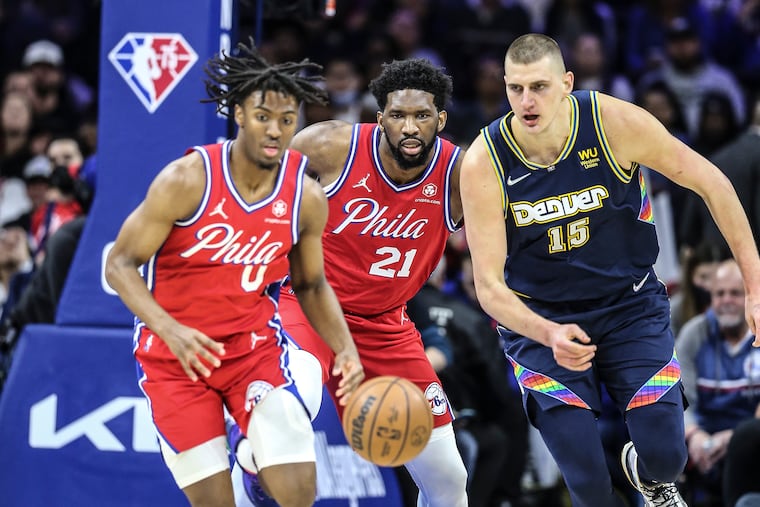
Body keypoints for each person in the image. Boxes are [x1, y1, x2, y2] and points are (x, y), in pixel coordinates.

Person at [459, 33, 760, 507]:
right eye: (515, 89)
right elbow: (489, 287)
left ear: (567, 82)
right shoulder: (483, 161)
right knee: (589, 489)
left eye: (539, 86)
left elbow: (712, 182)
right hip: (543, 322)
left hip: (630, 304)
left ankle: (646, 472)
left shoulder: (613, 122)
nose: (526, 101)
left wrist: (755, 286)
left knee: (668, 460)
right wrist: (548, 333)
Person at [104, 39, 364, 507]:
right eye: (263, 116)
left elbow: (310, 284)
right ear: (240, 114)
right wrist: (171, 330)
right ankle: (241, 454)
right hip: (175, 359)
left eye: (287, 120)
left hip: (252, 351)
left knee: (298, 492)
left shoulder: (305, 198)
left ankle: (252, 458)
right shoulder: (187, 179)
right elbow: (119, 265)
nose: (275, 130)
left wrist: (345, 348)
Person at [230, 57, 469, 507]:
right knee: (291, 406)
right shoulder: (327, 146)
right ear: (378, 118)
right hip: (308, 306)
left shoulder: (463, 173)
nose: (410, 127)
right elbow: (256, 199)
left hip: (385, 325)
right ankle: (252, 463)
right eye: (397, 115)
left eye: (422, 115)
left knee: (449, 480)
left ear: (441, 118)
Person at [676, 259, 760, 505]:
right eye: (719, 294)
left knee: (748, 437)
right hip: (703, 445)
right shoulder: (694, 334)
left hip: (752, 441)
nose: (726, 301)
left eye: (735, 293)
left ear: (750, 296)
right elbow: (680, 398)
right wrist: (695, 436)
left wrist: (732, 439)